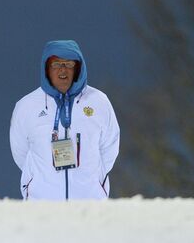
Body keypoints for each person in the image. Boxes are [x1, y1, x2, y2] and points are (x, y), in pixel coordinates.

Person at [10, 40, 120, 200]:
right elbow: (20, 152)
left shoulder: (99, 102)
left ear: (78, 68)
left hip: (90, 203)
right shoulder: (26, 106)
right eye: (56, 64)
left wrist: (94, 180)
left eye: (69, 64)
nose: (63, 69)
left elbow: (110, 147)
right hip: (41, 204)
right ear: (46, 69)